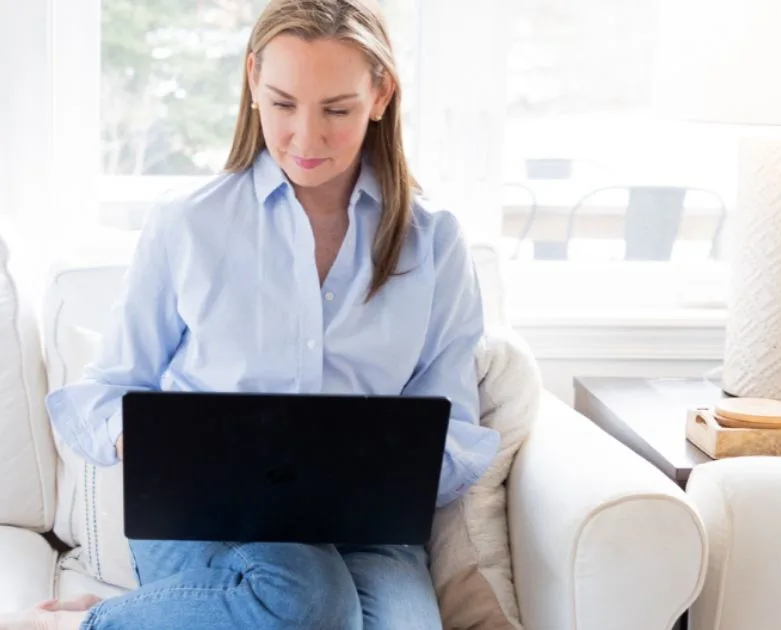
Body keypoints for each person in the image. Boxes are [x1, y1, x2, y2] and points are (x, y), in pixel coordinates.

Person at [0, 0, 499, 629]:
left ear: (380, 96)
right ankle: (79, 625)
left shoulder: (433, 244)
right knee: (310, 601)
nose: (306, 137)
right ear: (253, 81)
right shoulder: (189, 225)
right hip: (206, 521)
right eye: (284, 103)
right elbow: (105, 391)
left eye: (337, 110)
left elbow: (452, 419)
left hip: (365, 534)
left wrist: (386, 473)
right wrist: (154, 443)